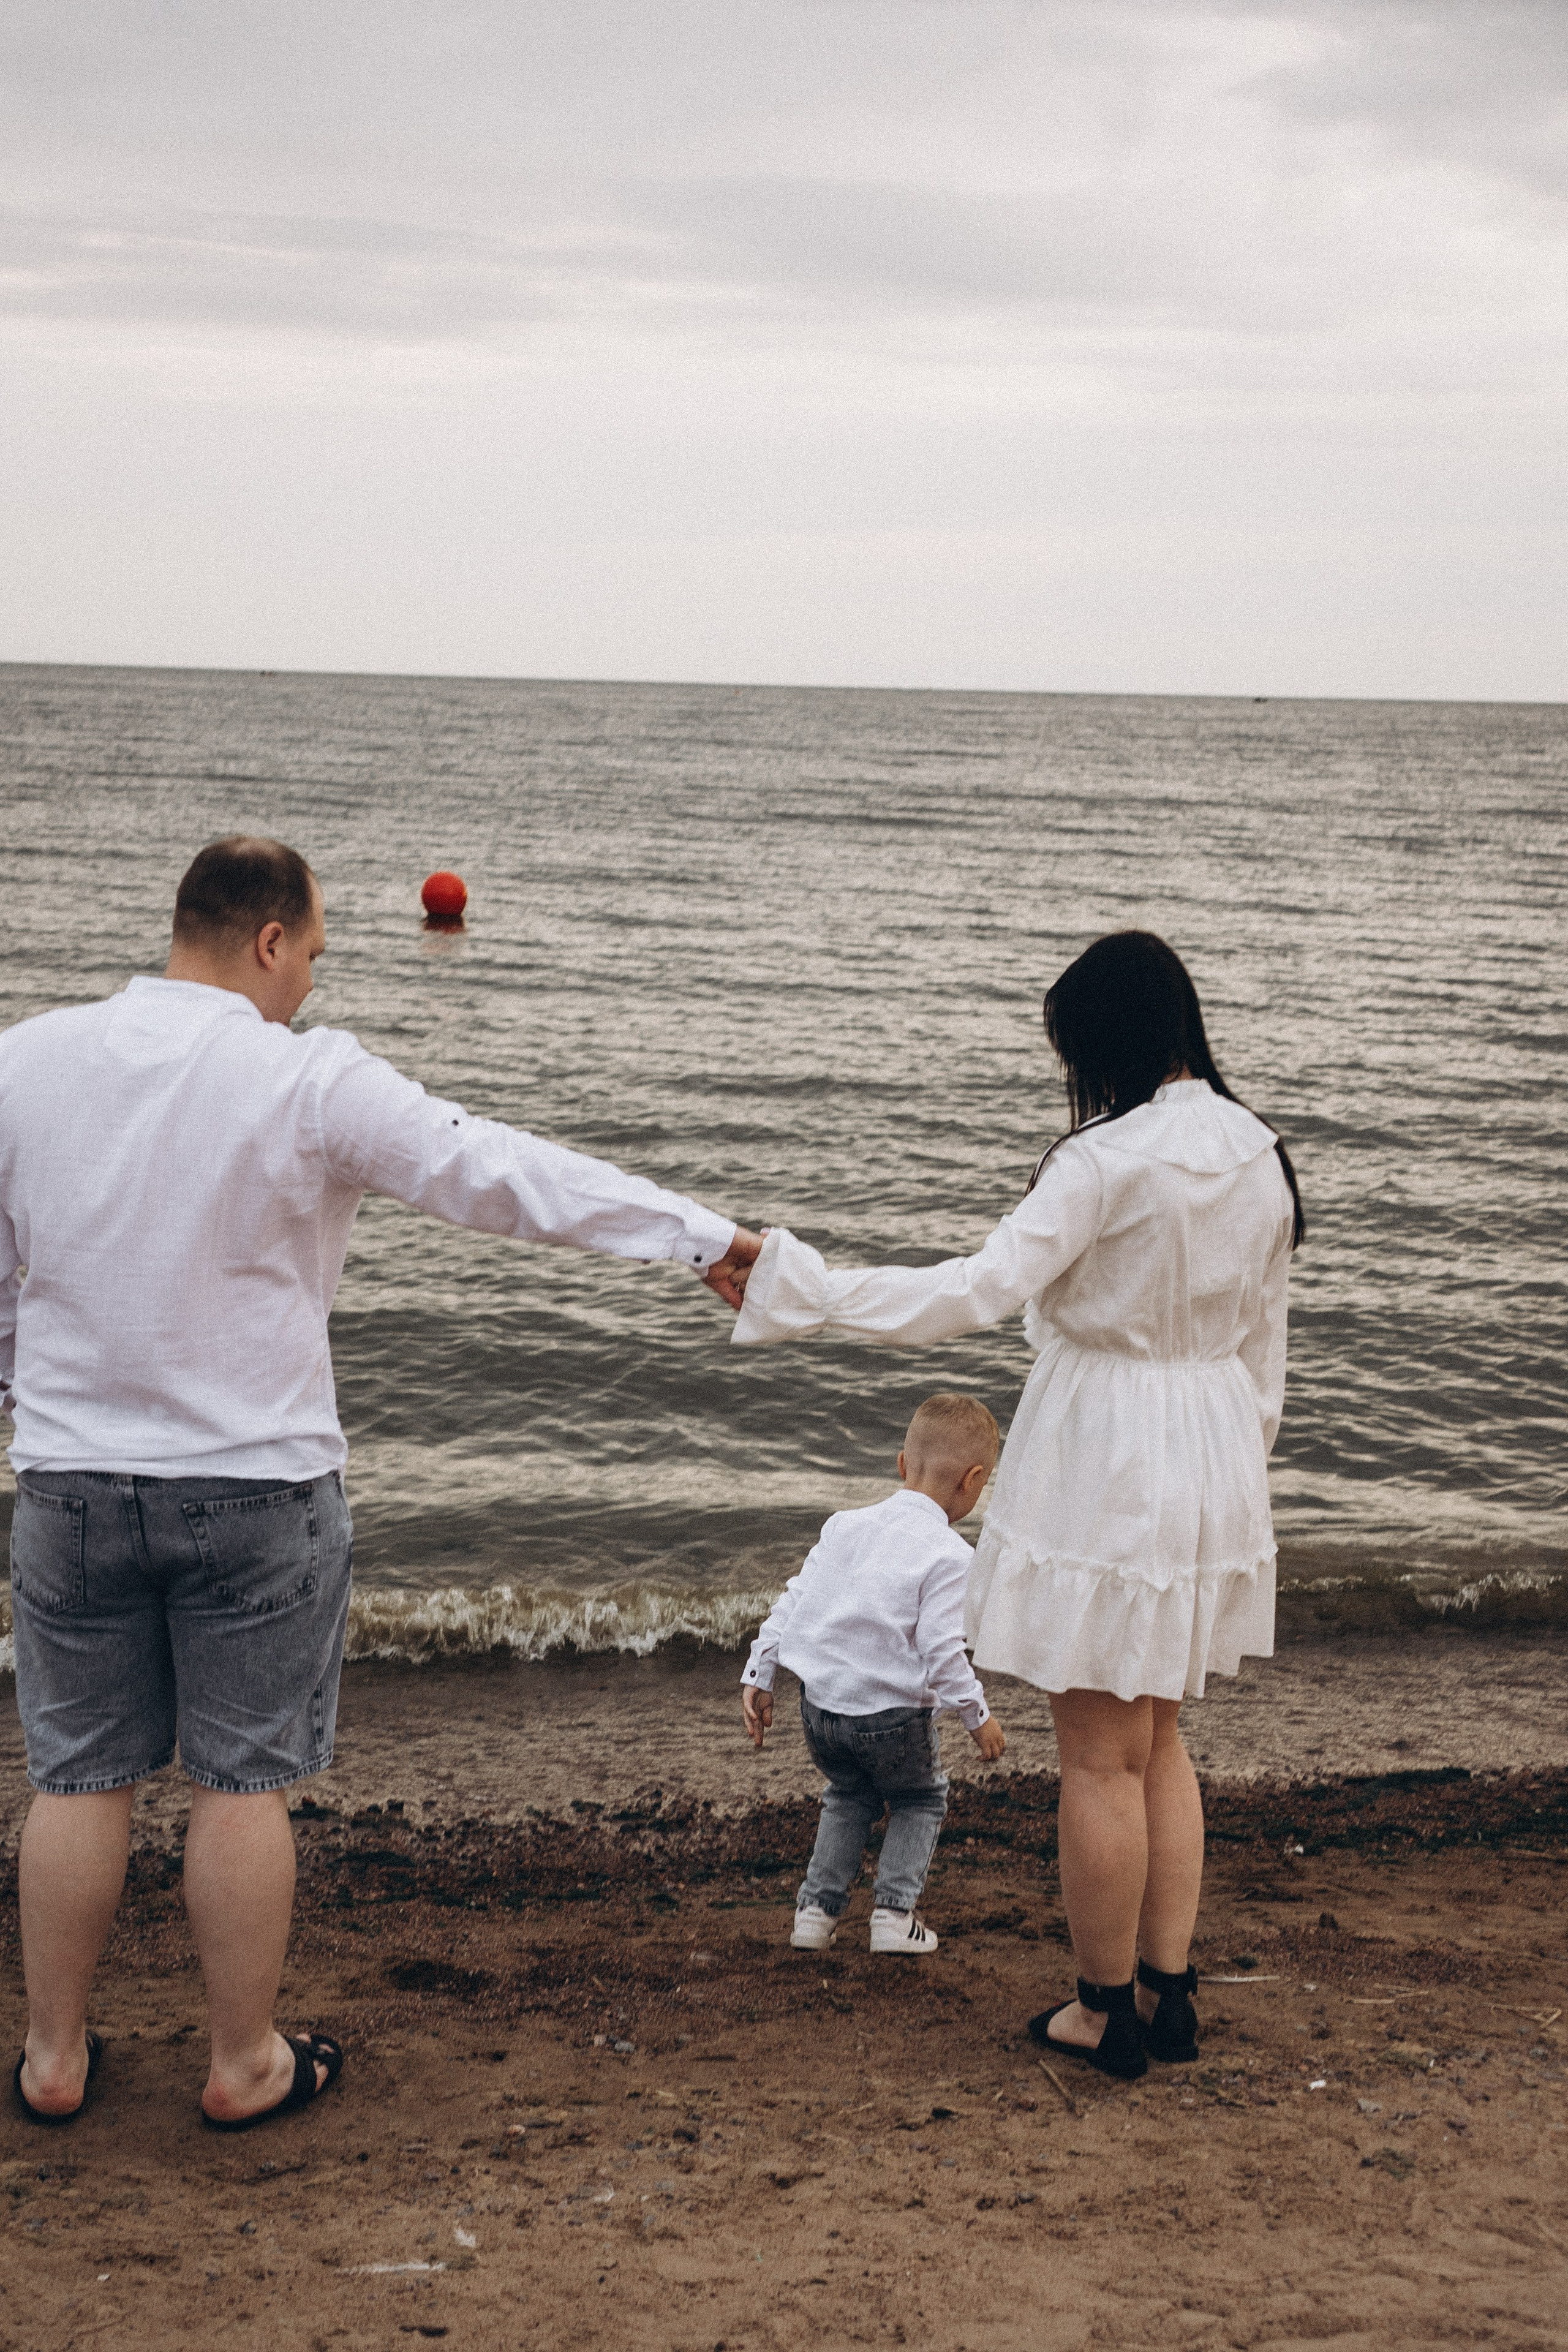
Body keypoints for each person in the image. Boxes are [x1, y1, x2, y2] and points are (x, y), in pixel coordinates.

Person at [1, 835, 760, 2130]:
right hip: (255, 1491)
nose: (308, 986)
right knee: (240, 1784)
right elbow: (496, 1171)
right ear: (269, 942)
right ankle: (241, 2065)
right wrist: (696, 1236)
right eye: (313, 956)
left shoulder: (26, 1061)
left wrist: (34, 1405)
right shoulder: (306, 1081)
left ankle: (53, 2060)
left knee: (77, 1775)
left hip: (69, 1484)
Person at [733, 931, 1303, 2078]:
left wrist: (797, 1282)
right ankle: (1168, 1991)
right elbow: (1265, 1357)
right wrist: (1232, 1473)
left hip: (1110, 1445)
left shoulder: (1101, 1161)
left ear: (1105, 1043)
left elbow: (970, 1293)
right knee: (1158, 1739)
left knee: (1098, 1753)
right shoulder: (1260, 1151)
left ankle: (1104, 2013)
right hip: (1212, 1445)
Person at [740, 1393, 1008, 1956]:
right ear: (974, 1480)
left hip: (822, 1711)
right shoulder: (950, 1554)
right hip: (892, 1720)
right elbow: (941, 1651)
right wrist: (976, 1715)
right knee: (919, 1802)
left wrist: (759, 1674)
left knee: (848, 1796)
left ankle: (815, 1915)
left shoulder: (844, 1527)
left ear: (902, 1464)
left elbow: (794, 1601)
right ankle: (893, 1915)